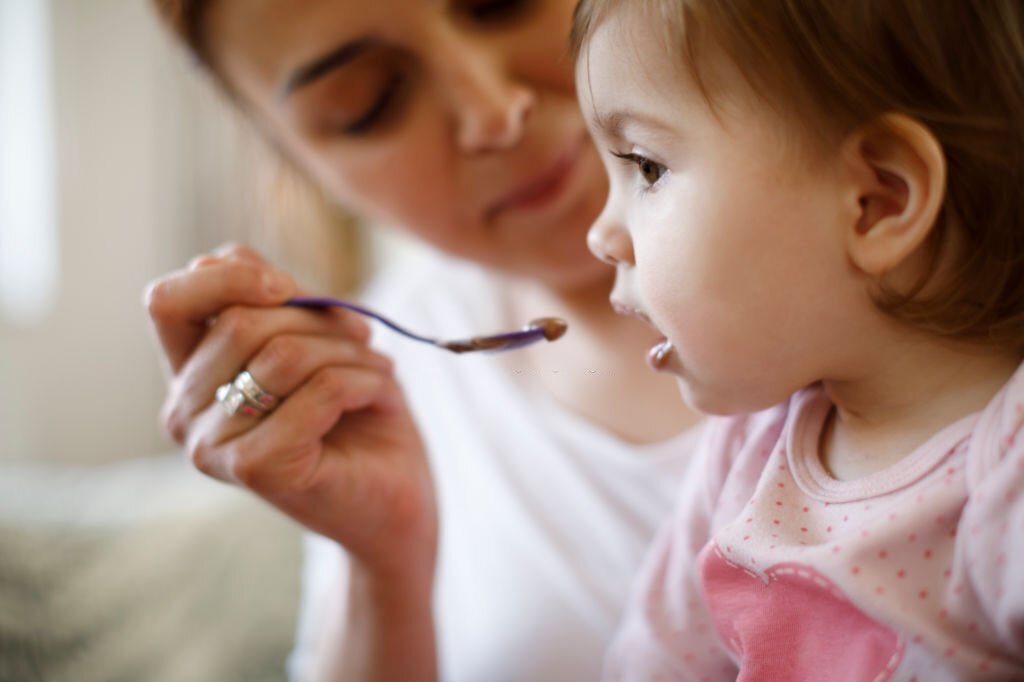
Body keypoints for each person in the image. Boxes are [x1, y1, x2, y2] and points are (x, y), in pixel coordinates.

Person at [144, 1, 703, 681]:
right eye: (369, 103)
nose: (493, 113)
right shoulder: (373, 379)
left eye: (504, 2)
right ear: (307, 170)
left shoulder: (860, 201)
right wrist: (382, 567)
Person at [573, 0, 1024, 678]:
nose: (600, 235)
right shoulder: (750, 447)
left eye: (647, 167)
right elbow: (656, 663)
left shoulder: (1004, 472)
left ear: (877, 203)